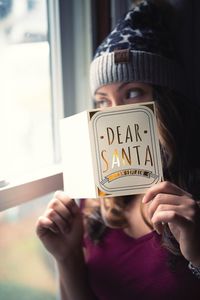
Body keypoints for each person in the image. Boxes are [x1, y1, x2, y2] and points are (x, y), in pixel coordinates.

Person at [36, 1, 200, 299]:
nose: (113, 113)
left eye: (132, 93)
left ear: (167, 103)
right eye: (102, 101)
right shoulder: (93, 199)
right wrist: (67, 257)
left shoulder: (193, 202)